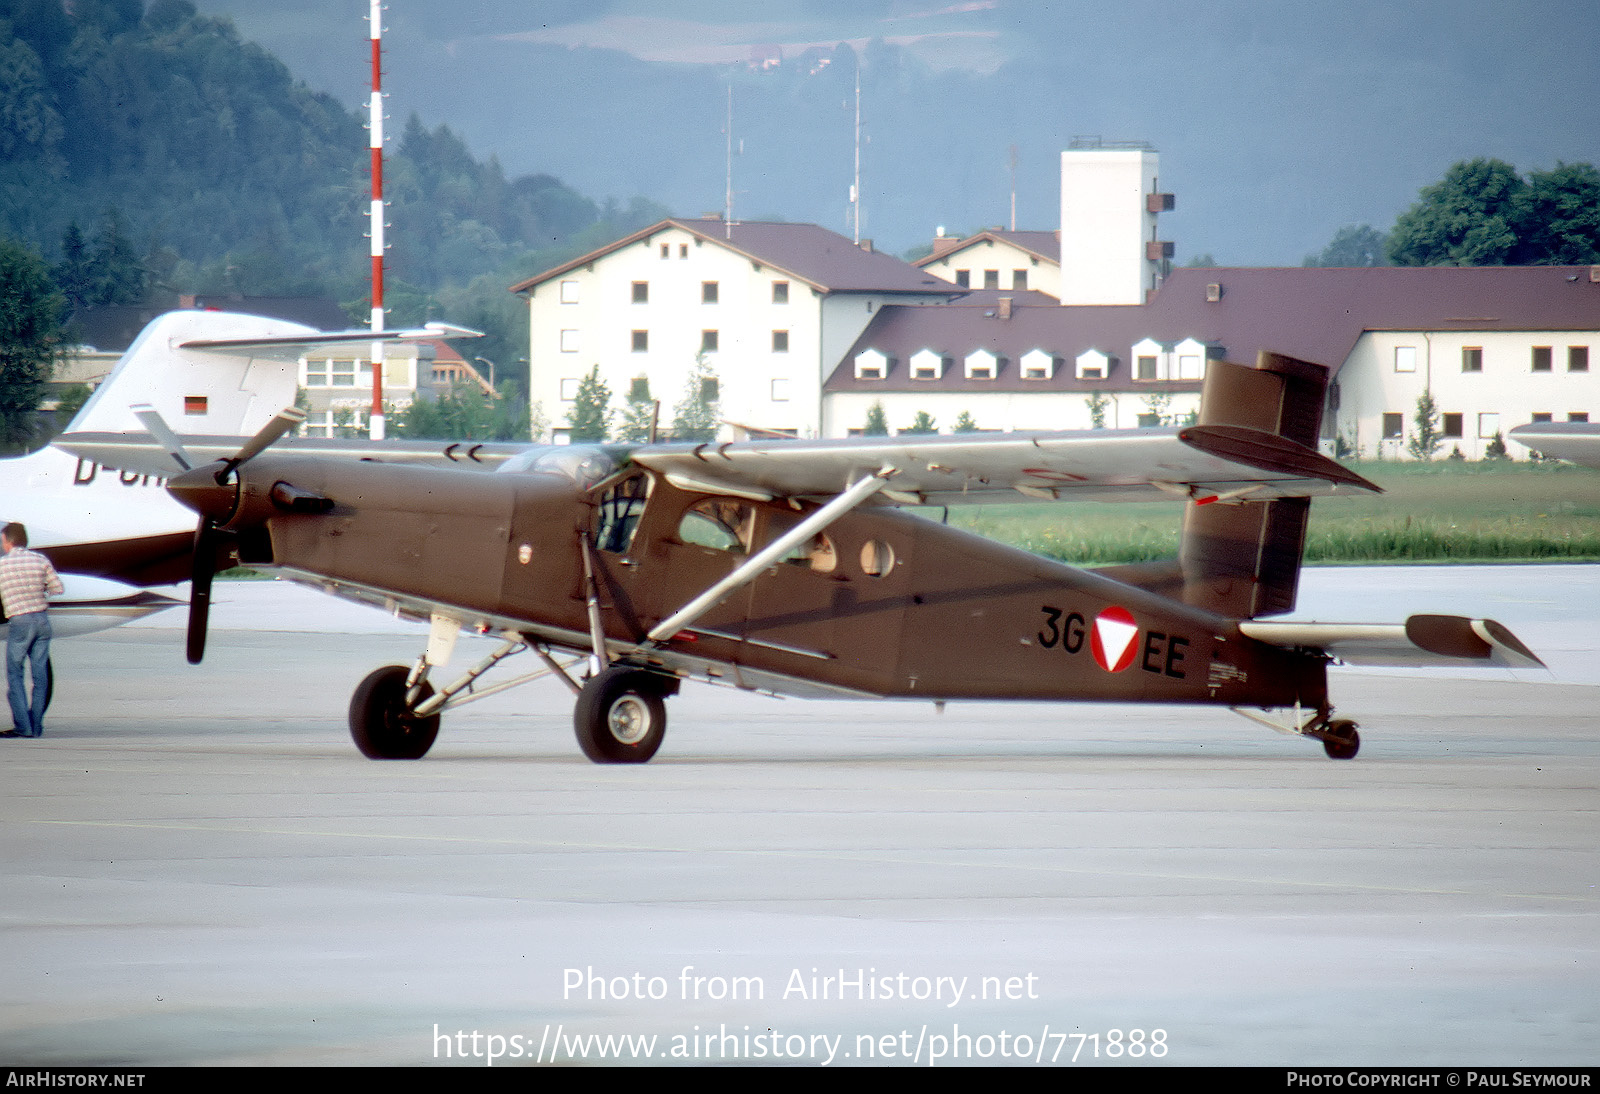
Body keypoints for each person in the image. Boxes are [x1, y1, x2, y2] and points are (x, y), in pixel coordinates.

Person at [1, 522, 63, 738]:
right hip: (42, 621)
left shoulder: (2, 565)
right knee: (40, 677)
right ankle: (36, 727)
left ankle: (23, 727)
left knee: (15, 674)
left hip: (20, 622)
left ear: (8, 541)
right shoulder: (40, 560)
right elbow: (57, 588)